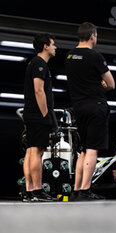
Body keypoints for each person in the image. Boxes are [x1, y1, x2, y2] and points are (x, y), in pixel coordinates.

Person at [66, 22, 115, 201]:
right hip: (95, 106)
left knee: (83, 150)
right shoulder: (95, 56)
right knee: (92, 150)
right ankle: (85, 190)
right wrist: (100, 84)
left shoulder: (69, 56)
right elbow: (111, 84)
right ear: (92, 35)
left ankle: (76, 190)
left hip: (79, 107)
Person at [22, 34, 58, 202]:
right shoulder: (39, 64)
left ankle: (29, 191)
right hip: (38, 114)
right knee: (37, 151)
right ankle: (37, 190)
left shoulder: (34, 63)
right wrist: (45, 115)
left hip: (31, 113)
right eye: (53, 44)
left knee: (31, 151)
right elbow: (39, 90)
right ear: (45, 46)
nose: (55, 47)